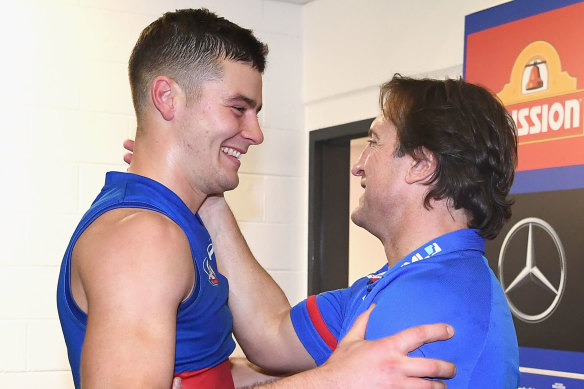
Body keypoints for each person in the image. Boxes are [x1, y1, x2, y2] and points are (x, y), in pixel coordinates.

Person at [57, 9, 456, 389]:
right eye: (238, 109)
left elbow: (234, 363)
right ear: (167, 97)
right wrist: (333, 380)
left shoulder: (180, 224)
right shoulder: (144, 238)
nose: (255, 133)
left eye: (256, 112)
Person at [199, 75, 520, 388]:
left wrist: (328, 381)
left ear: (421, 165)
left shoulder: (431, 304)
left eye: (374, 142)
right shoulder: (397, 283)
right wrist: (208, 194)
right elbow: (273, 334)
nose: (359, 164)